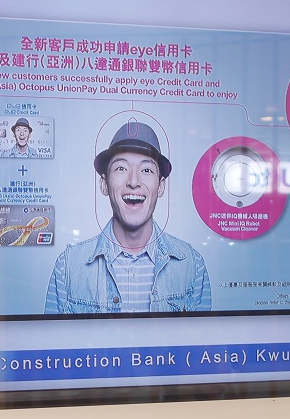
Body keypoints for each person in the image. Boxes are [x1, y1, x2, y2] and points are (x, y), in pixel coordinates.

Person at [44, 120, 210, 314]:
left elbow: (205, 332)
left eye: (146, 170)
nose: (133, 181)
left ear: (161, 186)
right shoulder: (68, 266)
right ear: (104, 184)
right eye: (121, 168)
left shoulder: (192, 265)